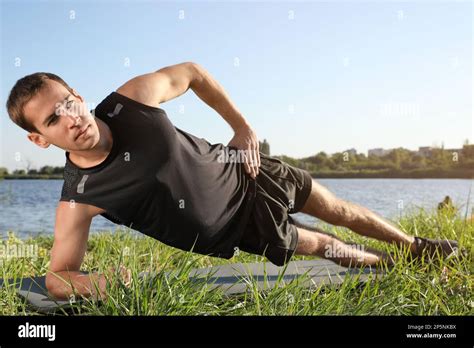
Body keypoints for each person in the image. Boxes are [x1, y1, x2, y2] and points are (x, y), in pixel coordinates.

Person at [6, 62, 459, 300]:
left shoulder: (129, 101)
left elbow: (193, 72)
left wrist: (241, 127)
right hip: (237, 227)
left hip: (247, 168)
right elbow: (57, 279)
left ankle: (415, 246)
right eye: (53, 119)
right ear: (39, 138)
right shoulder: (78, 199)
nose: (71, 119)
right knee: (323, 245)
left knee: (340, 209)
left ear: (78, 96)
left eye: (68, 103)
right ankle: (388, 267)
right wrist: (101, 283)